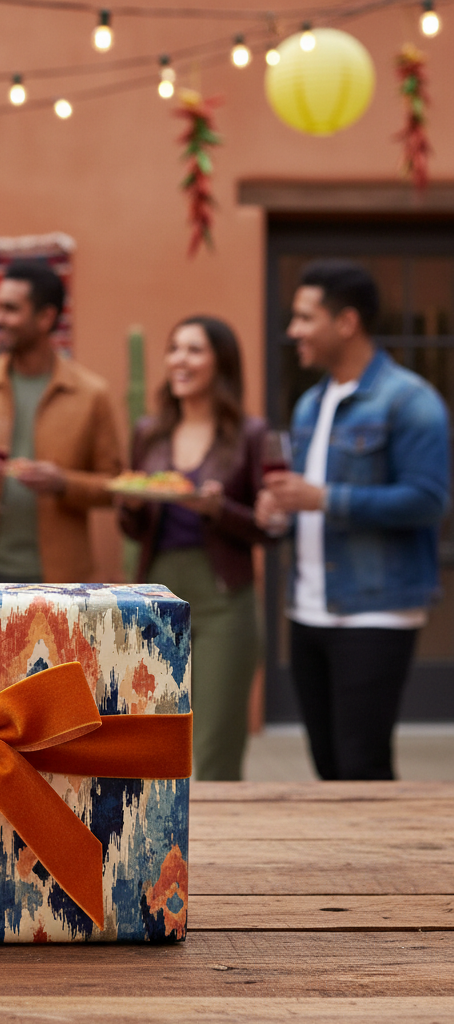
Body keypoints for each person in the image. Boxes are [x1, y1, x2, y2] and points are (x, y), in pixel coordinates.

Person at [255, 260, 450, 780]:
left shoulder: (410, 401)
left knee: (362, 765)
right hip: (308, 609)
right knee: (328, 767)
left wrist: (324, 498)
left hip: (375, 613)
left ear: (346, 322)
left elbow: (429, 500)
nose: (292, 330)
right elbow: (305, 504)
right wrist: (278, 515)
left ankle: (385, 865)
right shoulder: (309, 405)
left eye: (304, 317)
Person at [119, 316, 270, 781]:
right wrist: (131, 502)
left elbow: (268, 528)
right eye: (174, 348)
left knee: (216, 747)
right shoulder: (149, 433)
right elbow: (133, 525)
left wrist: (218, 509)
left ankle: (222, 847)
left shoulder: (249, 435)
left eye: (194, 350)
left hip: (224, 596)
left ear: (220, 363)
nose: (179, 360)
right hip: (158, 594)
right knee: (152, 737)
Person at [0, 259, 121, 583]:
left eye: (10, 309)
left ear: (46, 317)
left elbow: (115, 486)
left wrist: (63, 483)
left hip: (61, 582)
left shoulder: (91, 394)